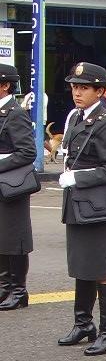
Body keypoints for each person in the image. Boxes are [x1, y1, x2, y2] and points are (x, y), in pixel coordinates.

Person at [57, 62, 106, 356]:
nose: (77, 92)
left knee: (103, 268)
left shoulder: (105, 122)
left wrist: (78, 177)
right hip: (79, 203)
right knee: (81, 264)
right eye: (74, 86)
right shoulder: (78, 119)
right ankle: (83, 324)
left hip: (97, 205)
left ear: (101, 90)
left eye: (84, 88)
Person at [0, 64, 37, 311]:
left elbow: (27, 152)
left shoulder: (15, 113)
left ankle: (19, 290)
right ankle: (4, 287)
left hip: (12, 185)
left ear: (4, 86)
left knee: (14, 239)